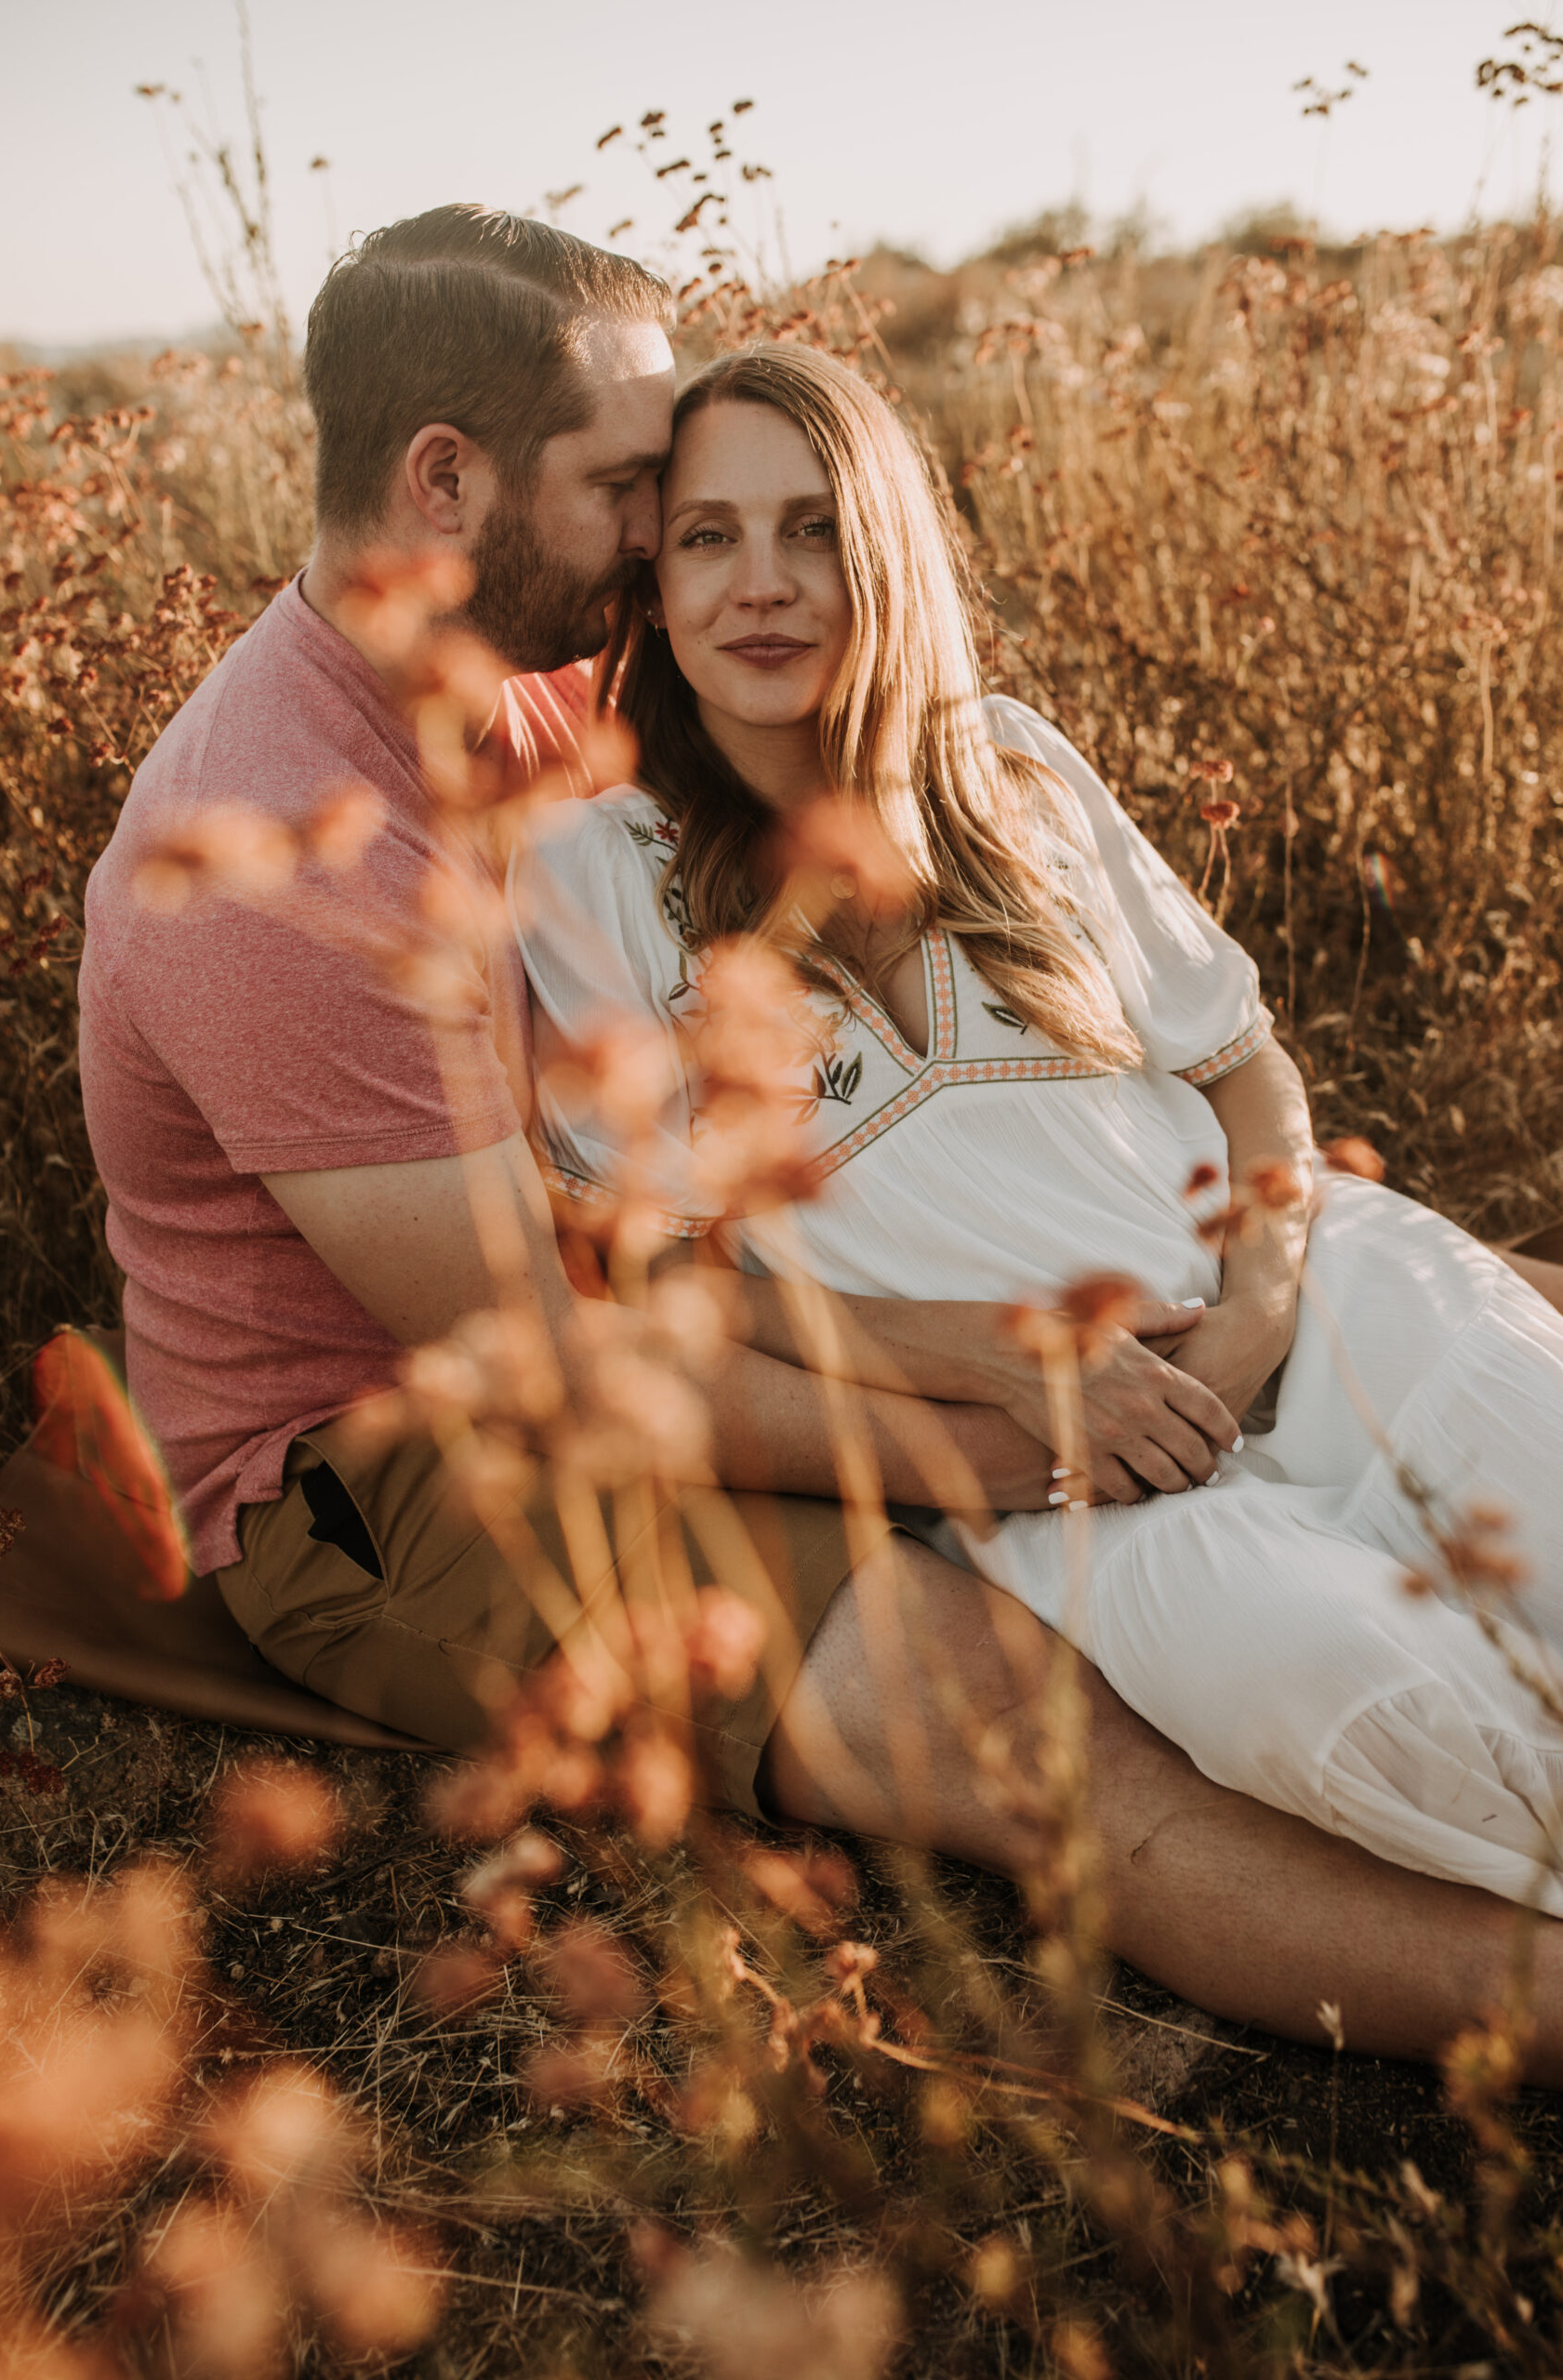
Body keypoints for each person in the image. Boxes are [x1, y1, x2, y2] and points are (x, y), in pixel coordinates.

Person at [75, 205, 1563, 2077]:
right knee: (1012, 1711)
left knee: (1451, 1301)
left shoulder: (559, 661)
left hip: (742, 1316)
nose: (666, 540)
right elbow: (558, 1364)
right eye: (639, 489)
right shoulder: (276, 865)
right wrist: (1019, 1426)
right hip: (403, 1458)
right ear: (445, 479)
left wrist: (1222, 1294)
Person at [510, 338, 1563, 2036]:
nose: (764, 588)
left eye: (815, 532)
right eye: (709, 537)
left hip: (1328, 1304)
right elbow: (673, 1272)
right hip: (1076, 1477)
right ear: (656, 573)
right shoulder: (592, 872)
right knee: (1385, 1724)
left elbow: (1244, 1067)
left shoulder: (1005, 765)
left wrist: (1262, 1301)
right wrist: (982, 1358)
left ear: (891, 552)